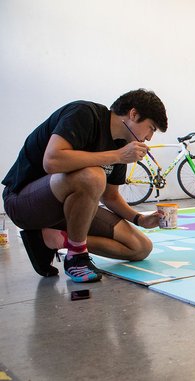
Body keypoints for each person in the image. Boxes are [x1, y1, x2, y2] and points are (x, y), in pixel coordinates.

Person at [2, 89, 168, 283]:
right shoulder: (84, 113)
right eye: (151, 128)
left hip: (65, 211)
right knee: (92, 174)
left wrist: (140, 219)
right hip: (24, 202)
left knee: (140, 247)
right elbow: (52, 160)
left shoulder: (122, 145)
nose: (149, 137)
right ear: (133, 114)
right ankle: (76, 257)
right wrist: (117, 156)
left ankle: (53, 240)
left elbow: (111, 196)